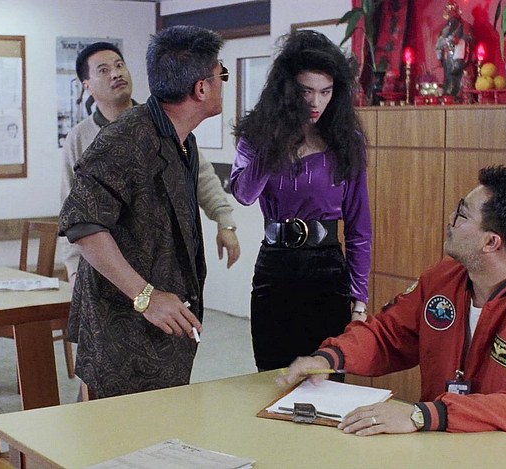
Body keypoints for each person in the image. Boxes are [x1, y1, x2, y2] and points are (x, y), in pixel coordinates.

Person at [278, 166, 506, 449]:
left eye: (462, 215)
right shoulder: (443, 279)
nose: (450, 219)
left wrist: (421, 415)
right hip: (444, 441)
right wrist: (330, 358)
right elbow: (388, 335)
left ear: (491, 242)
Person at [59, 25, 226, 399]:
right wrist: (146, 296)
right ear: (202, 88)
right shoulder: (126, 138)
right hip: (123, 327)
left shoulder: (176, 136)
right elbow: (82, 224)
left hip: (161, 324)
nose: (223, 84)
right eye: (222, 75)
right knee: (116, 430)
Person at [230, 30, 371, 371]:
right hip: (275, 268)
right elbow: (244, 194)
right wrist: (277, 141)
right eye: (306, 91)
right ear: (288, 89)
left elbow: (359, 227)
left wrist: (360, 300)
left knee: (326, 377)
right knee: (271, 377)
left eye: (325, 91)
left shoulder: (346, 141)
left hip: (327, 272)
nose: (315, 102)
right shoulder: (259, 136)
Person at [60, 41, 240, 284]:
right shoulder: (80, 138)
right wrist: (73, 269)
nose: (116, 74)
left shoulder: (162, 123)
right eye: (104, 70)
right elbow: (72, 208)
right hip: (109, 268)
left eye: (119, 65)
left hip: (166, 263)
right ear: (87, 85)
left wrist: (224, 221)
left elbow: (200, 175)